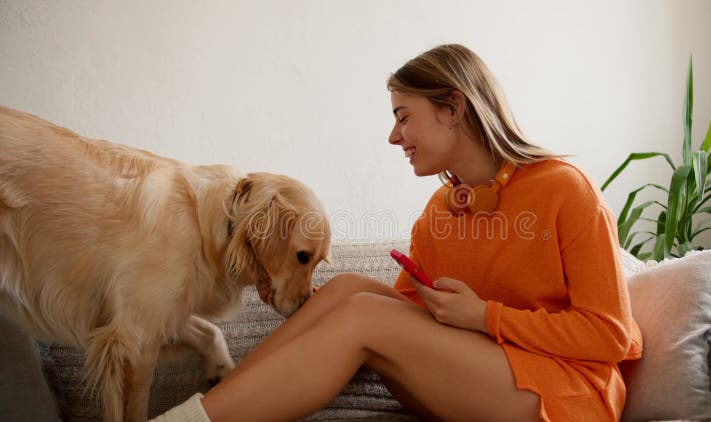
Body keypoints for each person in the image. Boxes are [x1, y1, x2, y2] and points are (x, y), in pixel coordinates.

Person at [152, 43, 643, 422]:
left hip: (567, 397)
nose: (393, 137)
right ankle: (226, 399)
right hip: (477, 380)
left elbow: (610, 335)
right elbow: (408, 318)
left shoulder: (564, 189)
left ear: (454, 107)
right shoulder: (439, 210)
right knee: (348, 290)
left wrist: (485, 317)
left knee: (366, 312)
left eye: (403, 117)